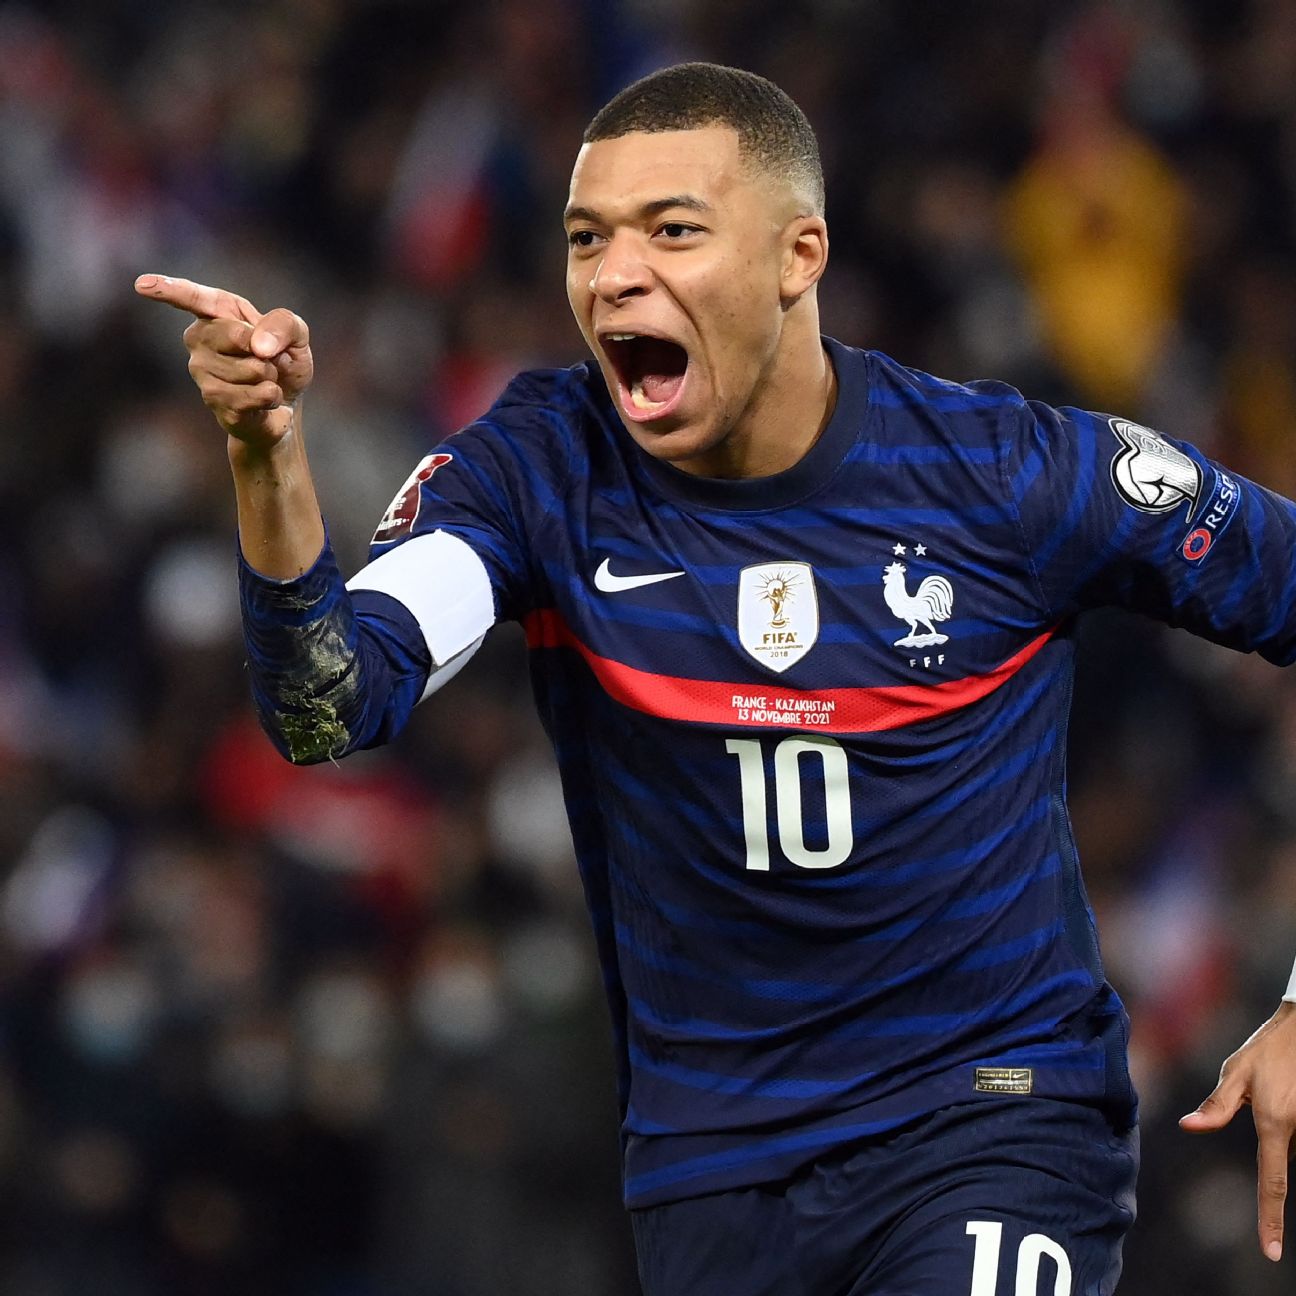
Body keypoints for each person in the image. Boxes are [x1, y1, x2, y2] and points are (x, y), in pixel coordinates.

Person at [136, 61, 1296, 1296]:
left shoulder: (1005, 474)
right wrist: (267, 461)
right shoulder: (540, 475)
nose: (614, 274)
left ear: (801, 255)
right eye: (587, 238)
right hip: (710, 1169)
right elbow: (328, 704)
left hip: (991, 1119)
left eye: (672, 230)